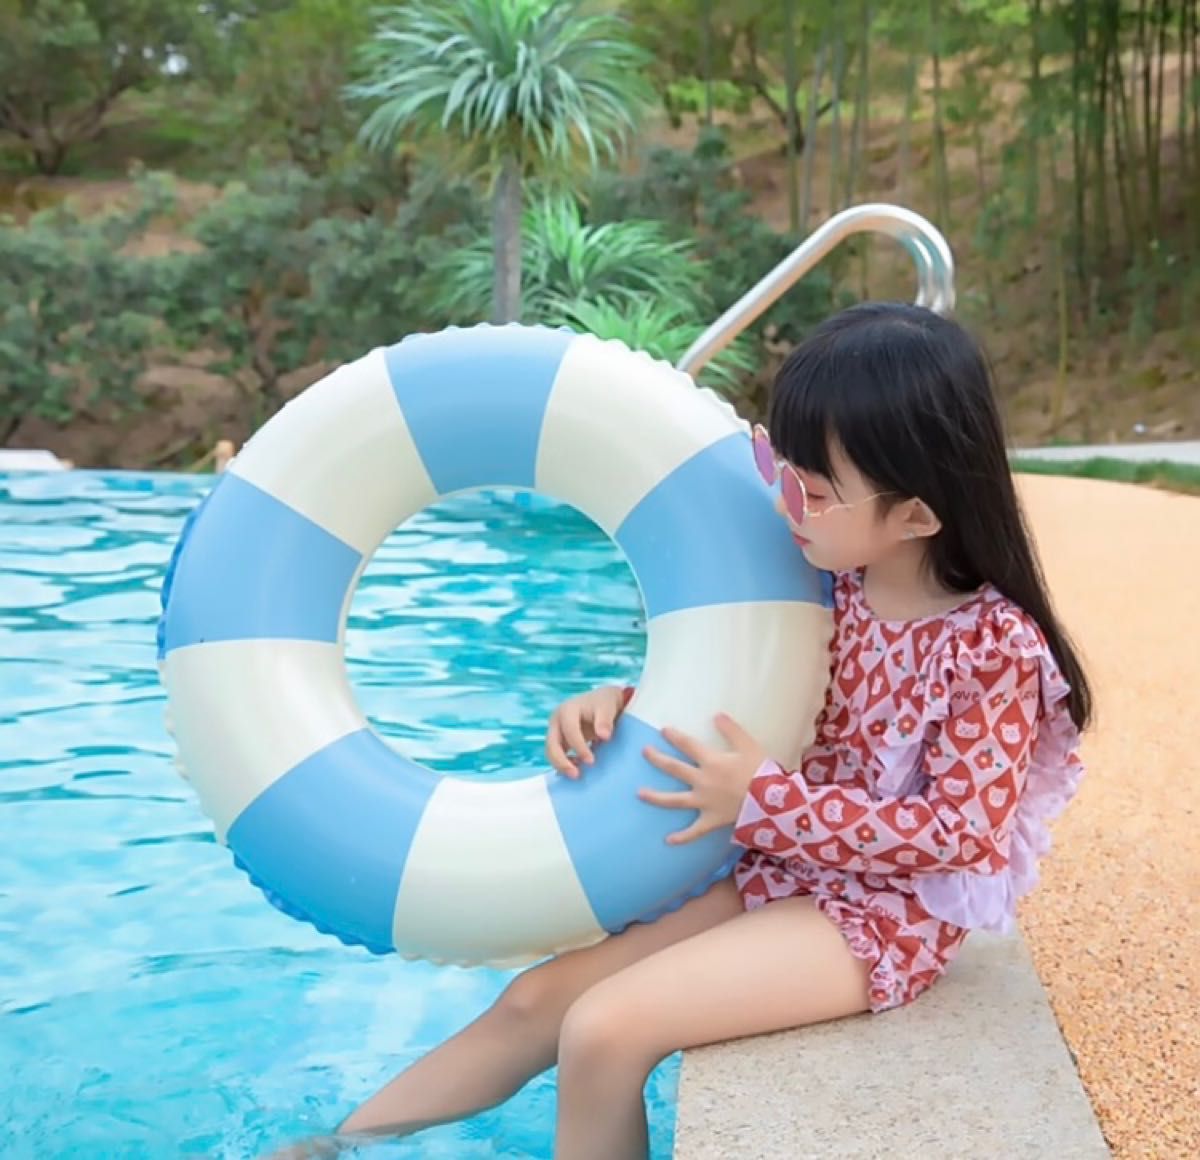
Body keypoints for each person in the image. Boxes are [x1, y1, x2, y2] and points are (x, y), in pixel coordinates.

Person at [271, 302, 1091, 1160]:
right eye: (787, 472)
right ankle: (331, 1145)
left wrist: (770, 803)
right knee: (533, 1001)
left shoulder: (992, 647)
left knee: (605, 1031)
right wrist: (621, 702)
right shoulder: (827, 582)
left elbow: (962, 835)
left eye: (813, 491)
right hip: (776, 870)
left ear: (918, 517)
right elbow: (753, 685)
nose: (786, 503)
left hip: (879, 918)